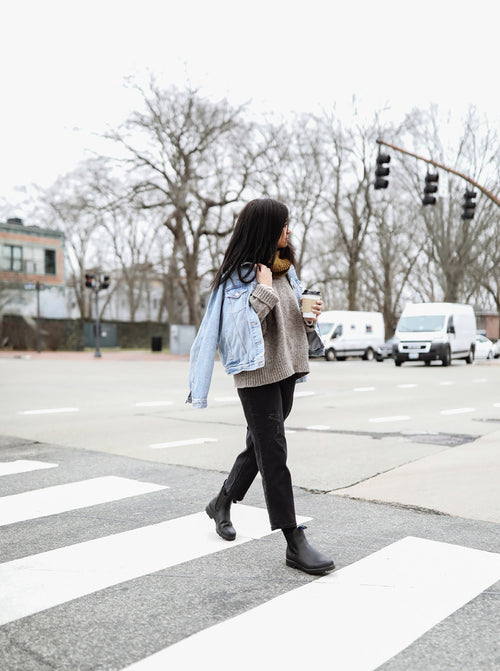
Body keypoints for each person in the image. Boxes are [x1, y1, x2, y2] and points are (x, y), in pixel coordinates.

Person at [187, 198, 334, 575]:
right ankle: (293, 541)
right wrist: (264, 290)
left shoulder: (284, 268)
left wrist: (308, 312)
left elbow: (287, 321)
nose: (289, 231)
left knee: (260, 443)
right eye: (284, 225)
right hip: (257, 375)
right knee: (273, 452)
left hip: (285, 368)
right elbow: (236, 335)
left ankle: (222, 501)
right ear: (266, 229)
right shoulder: (240, 276)